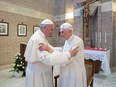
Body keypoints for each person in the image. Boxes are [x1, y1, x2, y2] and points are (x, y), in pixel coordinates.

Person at [24, 19, 78, 87]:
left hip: (40, 71)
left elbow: (49, 48)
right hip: (39, 74)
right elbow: (48, 59)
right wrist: (68, 54)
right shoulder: (38, 39)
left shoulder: (40, 36)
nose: (51, 32)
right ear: (45, 27)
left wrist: (62, 50)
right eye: (51, 29)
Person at [40, 23, 87, 87]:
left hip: (74, 71)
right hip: (65, 69)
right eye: (60, 32)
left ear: (70, 31)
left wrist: (50, 50)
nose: (61, 34)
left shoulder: (78, 41)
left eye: (62, 32)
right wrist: (50, 48)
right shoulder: (67, 40)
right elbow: (63, 50)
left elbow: (68, 59)